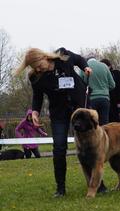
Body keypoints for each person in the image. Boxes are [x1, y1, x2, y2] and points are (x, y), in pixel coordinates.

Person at [15, 47, 95, 197]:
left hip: (79, 106)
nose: (38, 69)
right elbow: (37, 97)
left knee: (90, 145)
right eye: (35, 68)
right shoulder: (36, 77)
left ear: (44, 57)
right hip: (59, 113)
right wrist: (35, 111)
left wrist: (85, 67)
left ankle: (97, 184)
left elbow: (78, 59)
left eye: (39, 65)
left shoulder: (63, 56)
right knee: (59, 148)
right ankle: (60, 188)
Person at [80, 56, 115, 125]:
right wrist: (104, 89)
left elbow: (80, 84)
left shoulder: (84, 67)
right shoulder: (104, 66)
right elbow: (112, 85)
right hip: (105, 99)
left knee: (91, 124)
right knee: (104, 124)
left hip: (91, 99)